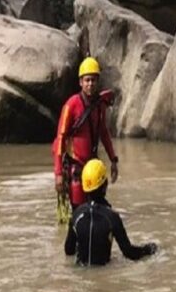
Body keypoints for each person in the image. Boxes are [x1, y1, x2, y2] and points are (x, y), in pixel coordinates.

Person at [53, 57, 119, 210]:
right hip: (75, 166)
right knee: (78, 211)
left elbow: (104, 133)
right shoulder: (71, 105)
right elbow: (60, 138)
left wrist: (113, 160)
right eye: (87, 80)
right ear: (80, 82)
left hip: (93, 168)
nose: (90, 84)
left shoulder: (100, 105)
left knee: (99, 209)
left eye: (94, 80)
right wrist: (58, 174)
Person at [64, 159, 157, 265]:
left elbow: (69, 251)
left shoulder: (76, 216)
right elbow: (129, 253)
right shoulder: (112, 218)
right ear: (105, 185)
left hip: (79, 274)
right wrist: (148, 249)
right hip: (103, 272)